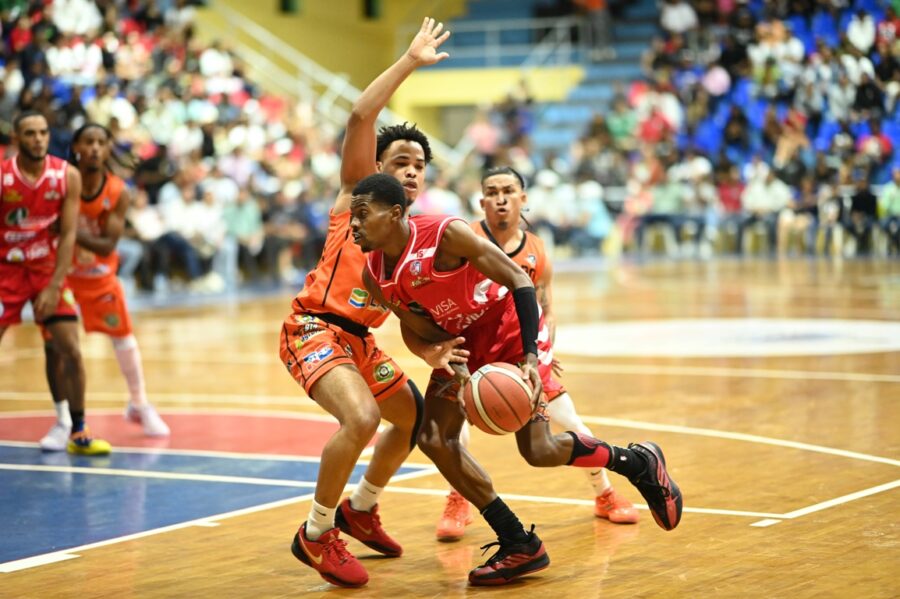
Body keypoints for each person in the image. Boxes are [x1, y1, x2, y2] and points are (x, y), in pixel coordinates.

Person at [352, 173, 683, 586]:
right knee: (433, 437)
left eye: (362, 213)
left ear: (395, 213)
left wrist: (530, 355)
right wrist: (430, 352)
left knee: (538, 450)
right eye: (352, 216)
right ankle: (517, 541)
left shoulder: (445, 234)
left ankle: (636, 463)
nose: (354, 224)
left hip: (510, 330)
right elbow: (412, 324)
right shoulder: (372, 274)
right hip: (463, 342)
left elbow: (520, 281)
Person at [278, 18, 453, 588]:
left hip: (359, 340)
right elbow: (359, 116)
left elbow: (404, 312)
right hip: (314, 327)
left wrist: (430, 350)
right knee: (362, 418)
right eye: (400, 161)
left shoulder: (415, 235)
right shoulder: (358, 194)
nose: (410, 171)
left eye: (418, 166)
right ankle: (316, 532)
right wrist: (410, 61)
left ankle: (361, 508)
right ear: (378, 167)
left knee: (413, 418)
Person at [434, 166, 638, 542]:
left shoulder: (537, 249)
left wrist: (543, 351)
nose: (500, 199)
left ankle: (605, 494)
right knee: (452, 431)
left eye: (508, 191)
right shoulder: (465, 239)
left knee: (571, 423)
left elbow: (546, 308)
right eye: (492, 192)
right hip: (472, 350)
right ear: (481, 201)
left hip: (521, 354)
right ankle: (458, 500)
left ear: (522, 198)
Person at [44, 122, 169, 442]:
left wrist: (69, 231)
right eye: (89, 142)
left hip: (99, 277)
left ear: (109, 148)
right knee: (57, 347)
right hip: (62, 276)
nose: (95, 148)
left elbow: (107, 245)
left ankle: (139, 403)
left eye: (102, 142)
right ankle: (63, 421)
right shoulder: (60, 183)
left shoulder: (117, 191)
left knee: (124, 338)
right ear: (76, 147)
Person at [0, 111, 110, 455]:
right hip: (6, 270)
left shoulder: (66, 175)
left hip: (47, 269)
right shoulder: (3, 176)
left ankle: (76, 428)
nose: (38, 139)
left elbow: (68, 235)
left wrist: (54, 284)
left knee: (69, 348)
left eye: (43, 133)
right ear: (16, 139)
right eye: (30, 133)